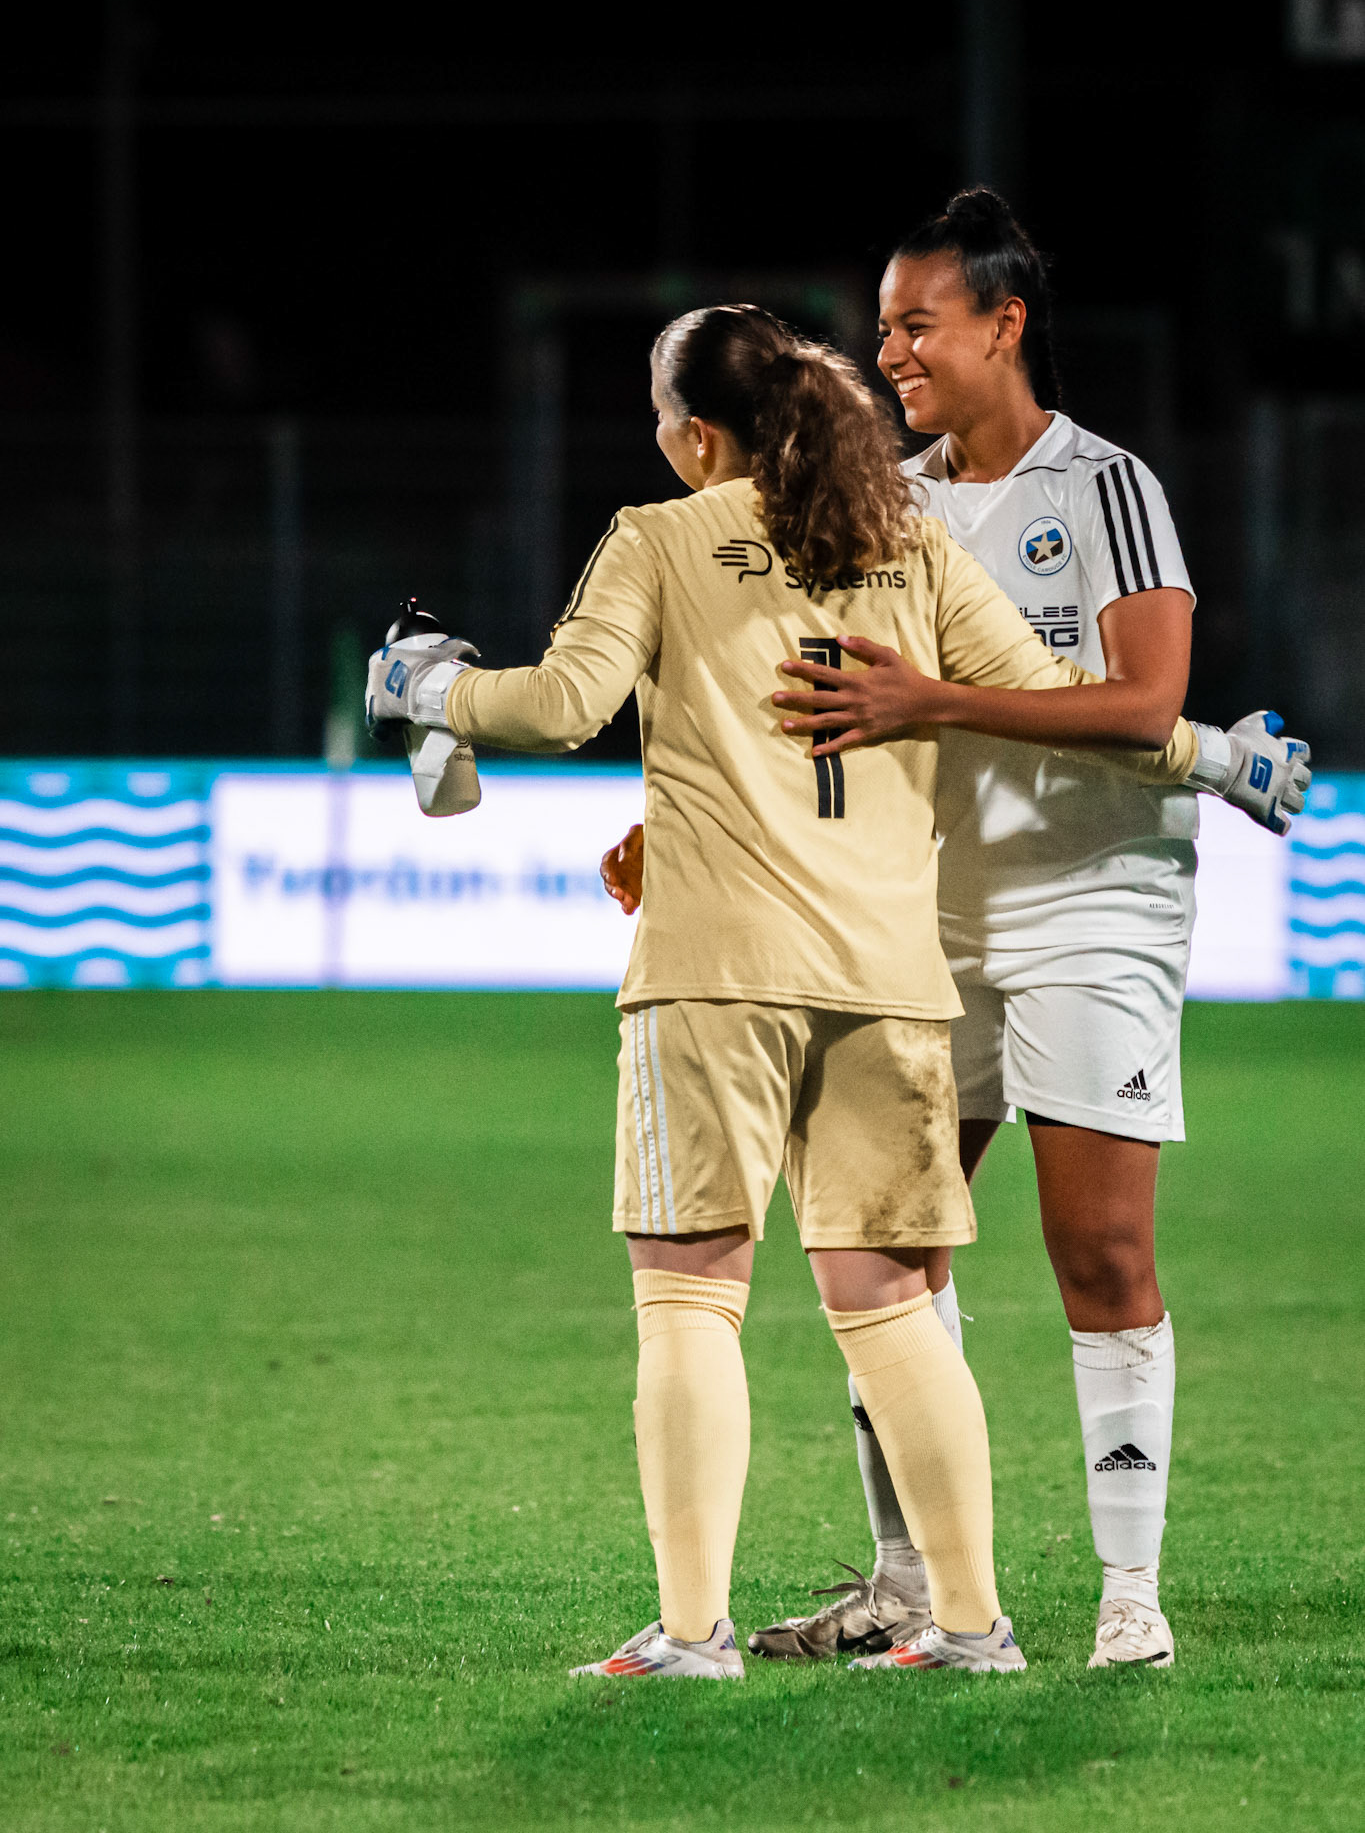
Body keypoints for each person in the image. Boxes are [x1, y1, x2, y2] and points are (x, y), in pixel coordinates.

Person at [369, 302, 1240, 1682]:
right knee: (890, 1307)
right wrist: (1207, 754)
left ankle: (694, 1633)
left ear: (696, 433)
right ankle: (970, 1625)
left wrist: (433, 687)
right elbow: (1055, 697)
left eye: (659, 413)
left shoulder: (657, 537)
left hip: (715, 978)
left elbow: (560, 707)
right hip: (890, 984)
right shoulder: (904, 546)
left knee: (689, 1294)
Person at [603, 198, 1310, 1672]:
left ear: (1004, 326)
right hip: (908, 919)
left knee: (1097, 1249)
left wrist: (935, 703)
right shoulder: (883, 500)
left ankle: (1130, 1593)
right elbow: (789, 699)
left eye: (917, 321)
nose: (889, 349)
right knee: (885, 1257)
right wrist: (679, 834)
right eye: (879, 326)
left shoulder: (1104, 487)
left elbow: (1135, 705)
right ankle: (907, 1585)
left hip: (1090, 907)